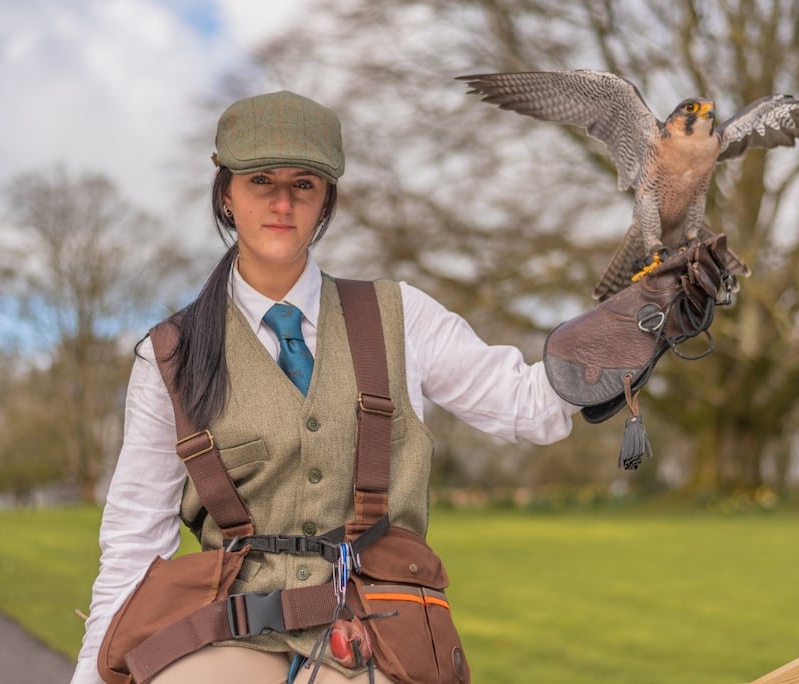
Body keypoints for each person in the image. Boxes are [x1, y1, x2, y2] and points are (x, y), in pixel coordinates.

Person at [70, 90, 584, 684]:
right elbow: (134, 536)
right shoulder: (170, 354)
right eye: (261, 180)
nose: (283, 202)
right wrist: (87, 674)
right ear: (227, 194)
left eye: (305, 184)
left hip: (378, 625)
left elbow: (529, 406)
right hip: (232, 630)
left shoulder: (399, 315)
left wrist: (631, 332)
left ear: (326, 202)